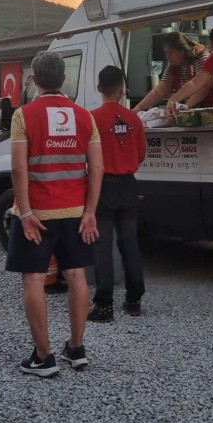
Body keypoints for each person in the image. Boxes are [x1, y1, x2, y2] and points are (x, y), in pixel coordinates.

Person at [6, 51, 104, 377]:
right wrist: (90, 212)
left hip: (37, 213)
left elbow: (18, 168)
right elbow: (97, 168)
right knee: (76, 275)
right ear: (64, 79)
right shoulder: (84, 116)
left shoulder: (23, 115)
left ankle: (43, 357)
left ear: (34, 80)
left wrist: (25, 213)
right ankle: (76, 348)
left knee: (34, 279)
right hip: (76, 211)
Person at [88, 66, 146, 322]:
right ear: (122, 89)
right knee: (129, 242)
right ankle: (134, 300)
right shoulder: (134, 119)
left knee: (102, 245)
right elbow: (140, 155)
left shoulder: (92, 119)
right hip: (129, 186)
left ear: (99, 87)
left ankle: (104, 305)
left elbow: (86, 157)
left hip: (103, 186)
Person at [133, 31, 213, 113]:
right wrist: (138, 108)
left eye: (170, 53)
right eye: (166, 53)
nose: (167, 57)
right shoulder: (173, 66)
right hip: (197, 113)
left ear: (183, 50)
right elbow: (159, 91)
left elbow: (204, 88)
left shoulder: (202, 57)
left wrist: (183, 108)